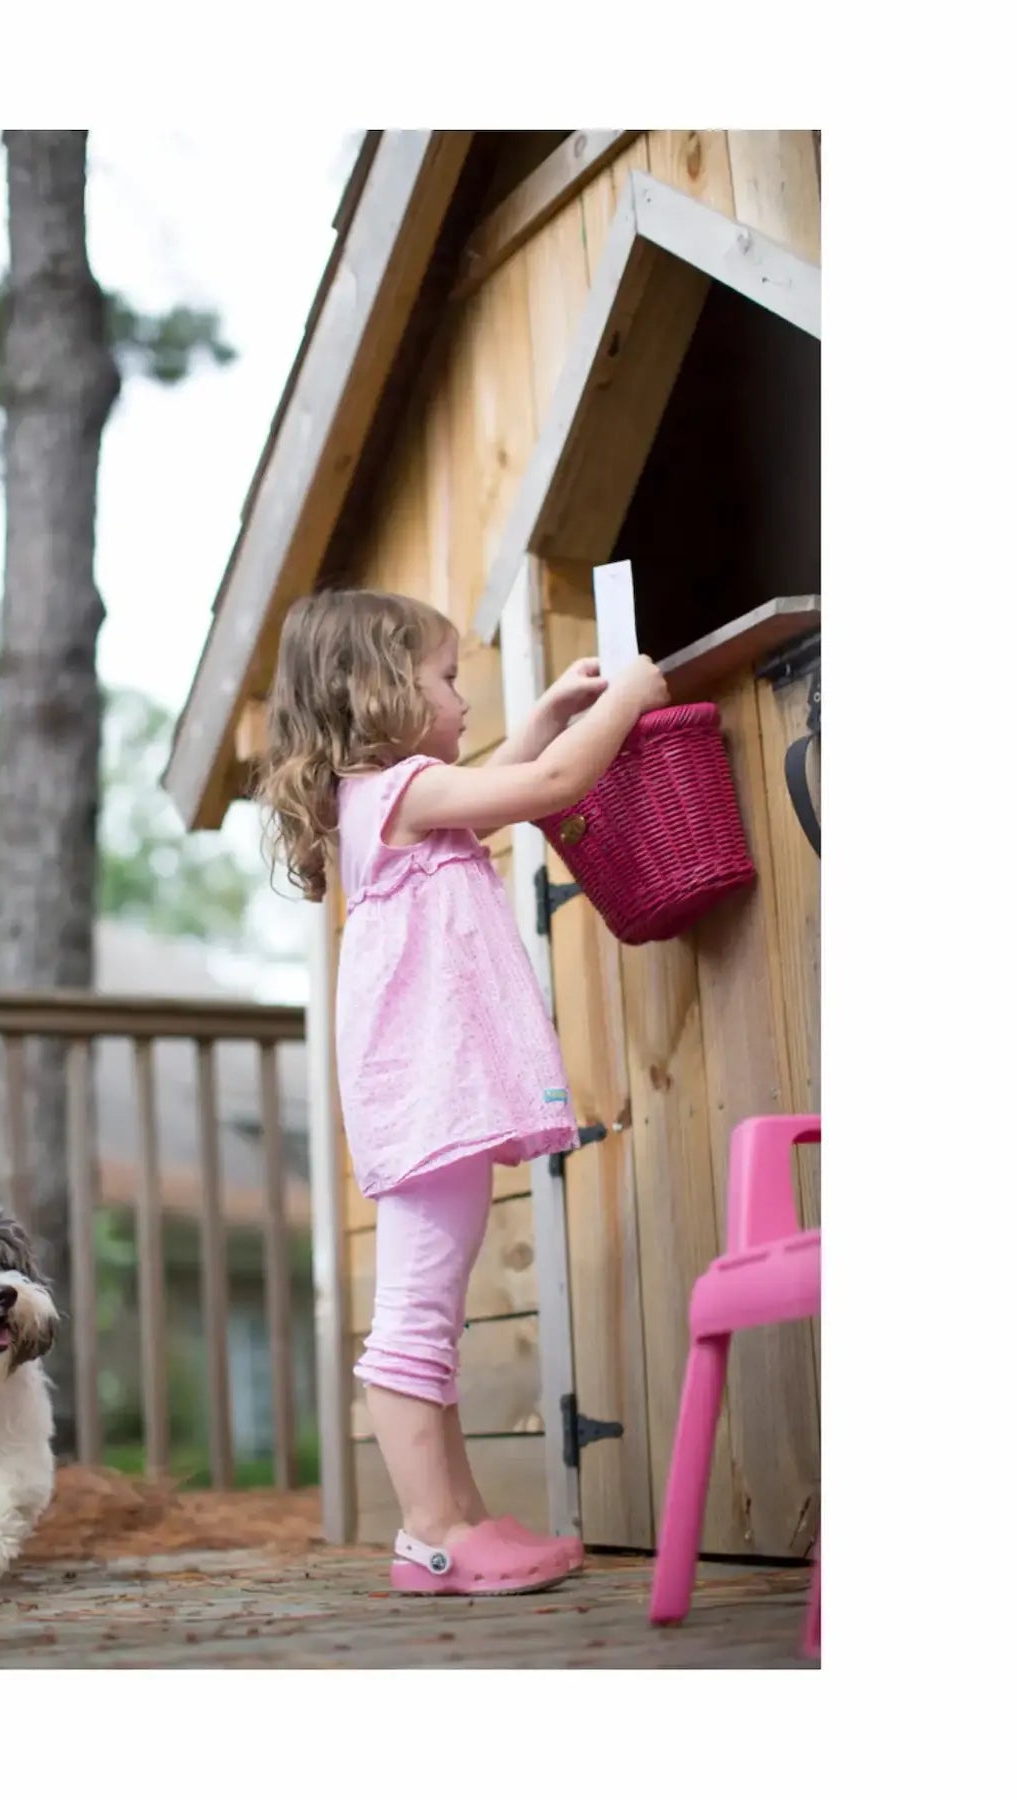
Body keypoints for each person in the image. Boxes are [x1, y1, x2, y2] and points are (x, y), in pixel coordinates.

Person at [257, 588, 670, 1595]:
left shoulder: (395, 798)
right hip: (429, 1096)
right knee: (413, 1321)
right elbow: (547, 786)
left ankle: (460, 1522)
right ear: (381, 692)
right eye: (446, 678)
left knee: (428, 1317)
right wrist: (627, 699)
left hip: (432, 1098)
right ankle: (433, 1532)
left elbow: (498, 782)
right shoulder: (398, 793)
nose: (462, 697)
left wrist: (549, 714)